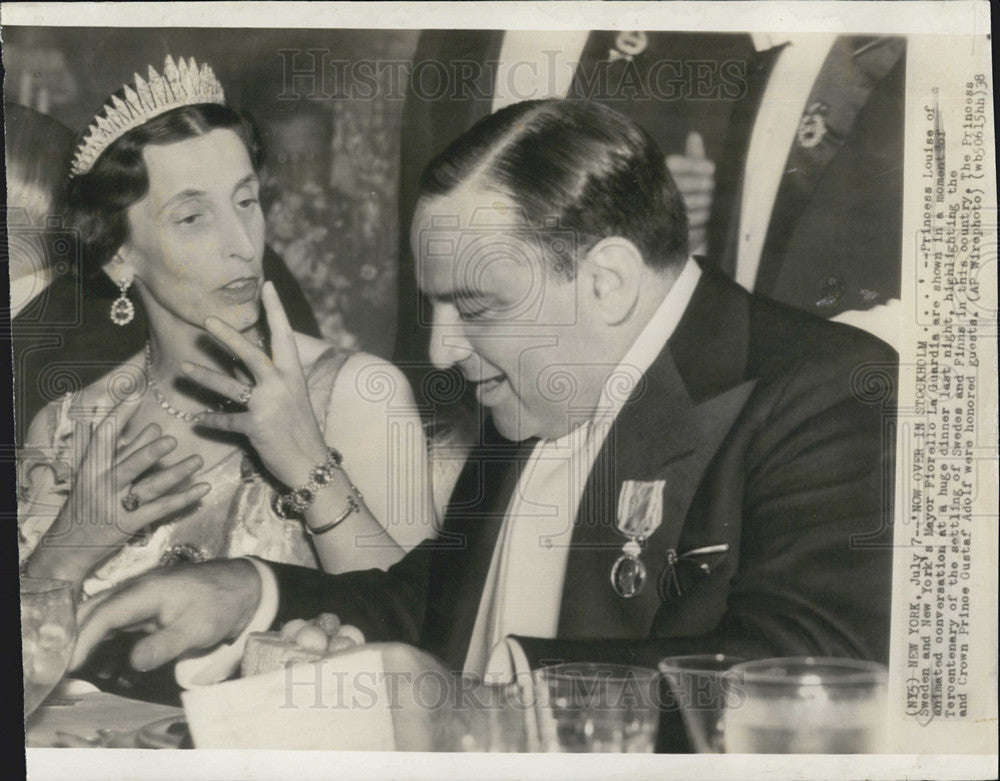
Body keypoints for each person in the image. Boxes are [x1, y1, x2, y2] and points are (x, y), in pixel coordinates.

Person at [71, 100, 896, 746]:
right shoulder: (538, 373)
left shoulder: (824, 387)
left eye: (475, 306)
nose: (443, 348)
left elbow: (802, 680)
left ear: (605, 279)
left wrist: (471, 701)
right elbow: (449, 598)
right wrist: (253, 590)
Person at [19, 57, 435, 694]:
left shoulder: (357, 393)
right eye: (193, 217)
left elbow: (428, 647)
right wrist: (69, 547)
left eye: (248, 201)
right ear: (119, 254)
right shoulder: (69, 425)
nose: (243, 242)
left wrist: (306, 460)